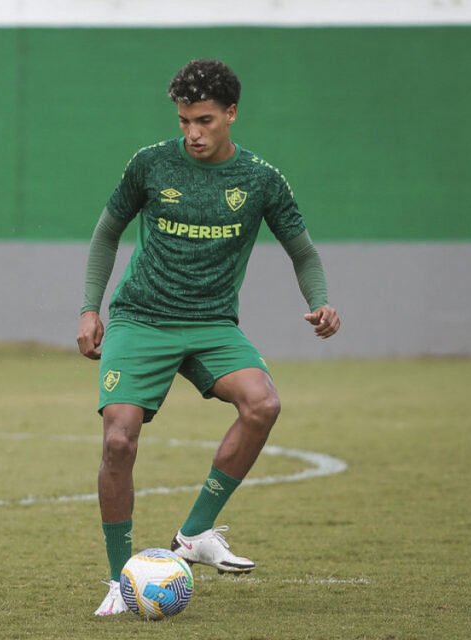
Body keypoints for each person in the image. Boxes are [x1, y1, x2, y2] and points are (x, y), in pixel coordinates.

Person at [76, 60, 341, 616]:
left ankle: (194, 534)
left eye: (203, 120)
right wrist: (88, 309)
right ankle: (117, 581)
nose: (192, 132)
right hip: (140, 318)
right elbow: (106, 232)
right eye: (183, 121)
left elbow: (303, 251)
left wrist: (317, 300)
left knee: (262, 403)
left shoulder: (261, 179)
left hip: (211, 324)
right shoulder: (150, 164)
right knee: (118, 441)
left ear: (231, 114)